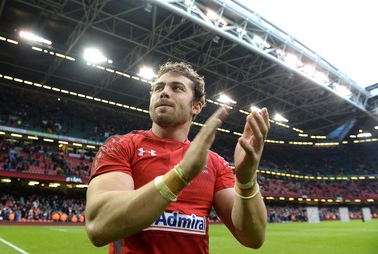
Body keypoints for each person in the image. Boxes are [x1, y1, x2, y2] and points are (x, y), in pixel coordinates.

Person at [85, 61, 270, 253]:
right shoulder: (121, 146)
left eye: (177, 88)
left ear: (196, 106)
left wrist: (246, 180)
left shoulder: (214, 163)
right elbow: (98, 226)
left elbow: (253, 237)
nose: (164, 92)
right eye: (158, 88)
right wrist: (181, 174)